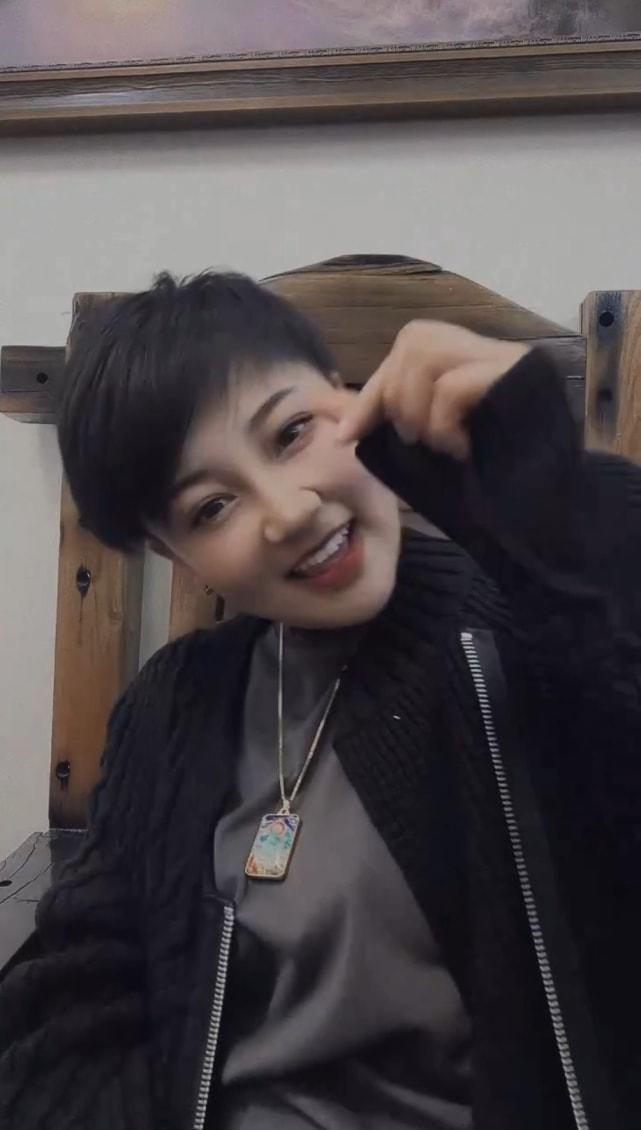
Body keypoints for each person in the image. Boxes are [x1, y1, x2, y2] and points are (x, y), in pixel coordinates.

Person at [0, 270, 639, 1130]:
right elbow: (83, 997)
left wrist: (553, 506)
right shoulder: (169, 708)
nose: (288, 510)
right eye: (211, 506)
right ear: (175, 555)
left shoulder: (518, 635)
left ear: (348, 396)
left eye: (292, 432)